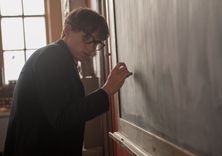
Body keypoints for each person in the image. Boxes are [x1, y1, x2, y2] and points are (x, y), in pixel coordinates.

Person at [3, 8, 132, 156]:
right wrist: (107, 89)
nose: (92, 49)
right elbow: (62, 118)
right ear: (67, 30)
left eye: (96, 44)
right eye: (88, 38)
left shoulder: (61, 58)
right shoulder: (51, 56)